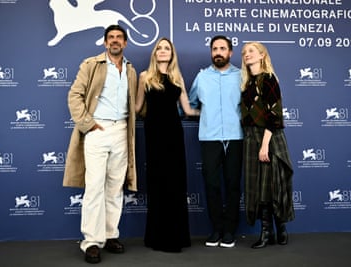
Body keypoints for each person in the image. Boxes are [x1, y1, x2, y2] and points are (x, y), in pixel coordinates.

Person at [62, 25, 138, 264]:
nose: (115, 41)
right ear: (105, 43)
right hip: (98, 130)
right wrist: (89, 124)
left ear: (125, 43)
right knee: (94, 186)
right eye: (111, 38)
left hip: (122, 131)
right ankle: (92, 242)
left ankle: (110, 234)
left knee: (115, 187)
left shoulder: (131, 69)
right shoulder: (91, 64)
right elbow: (74, 95)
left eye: (119, 38)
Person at [135, 37, 199, 253]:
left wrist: (215, 115)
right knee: (157, 184)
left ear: (172, 54)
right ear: (155, 53)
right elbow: (136, 108)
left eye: (167, 49)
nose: (163, 51)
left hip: (174, 135)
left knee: (175, 184)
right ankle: (157, 237)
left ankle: (176, 236)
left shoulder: (177, 77)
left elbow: (188, 111)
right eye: (159, 48)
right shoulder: (144, 77)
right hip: (154, 135)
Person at [188, 35, 243, 248]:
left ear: (230, 52)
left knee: (232, 185)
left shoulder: (241, 76)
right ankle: (216, 229)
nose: (217, 52)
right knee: (211, 185)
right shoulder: (201, 77)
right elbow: (191, 104)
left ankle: (230, 231)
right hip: (209, 138)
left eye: (222, 48)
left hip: (235, 137)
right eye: (214, 49)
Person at [240, 41, 294, 249]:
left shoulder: (269, 79)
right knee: (259, 186)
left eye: (251, 51)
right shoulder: (246, 84)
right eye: (244, 52)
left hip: (268, 138)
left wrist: (264, 146)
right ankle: (268, 232)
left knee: (272, 185)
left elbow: (274, 115)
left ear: (262, 55)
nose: (247, 55)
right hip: (251, 138)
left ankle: (279, 229)